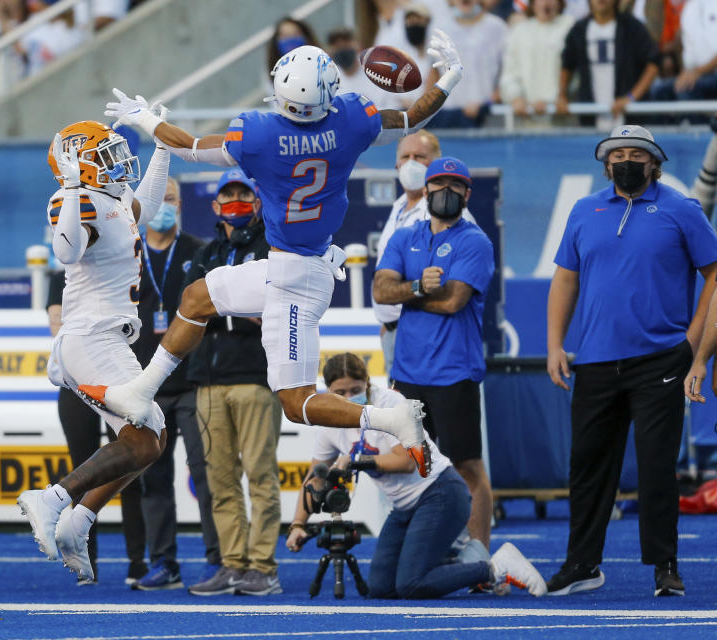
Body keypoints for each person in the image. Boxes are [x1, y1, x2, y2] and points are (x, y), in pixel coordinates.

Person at [81, 35, 470, 473]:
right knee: (196, 298)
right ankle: (141, 389)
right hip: (296, 265)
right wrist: (450, 78)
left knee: (296, 403)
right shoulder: (350, 121)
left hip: (297, 281)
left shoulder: (261, 134)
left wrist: (146, 120)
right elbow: (412, 117)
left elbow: (189, 147)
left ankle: (392, 418)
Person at [546, 125, 717, 597]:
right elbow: (565, 280)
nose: (626, 160)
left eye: (635, 154)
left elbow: (715, 273)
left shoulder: (681, 209)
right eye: (617, 153)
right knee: (586, 465)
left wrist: (693, 342)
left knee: (657, 466)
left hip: (660, 357)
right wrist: (555, 344)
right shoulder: (584, 210)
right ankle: (582, 564)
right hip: (596, 360)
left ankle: (665, 564)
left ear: (654, 162)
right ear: (605, 163)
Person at [16, 117, 170, 582]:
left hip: (109, 337)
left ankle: (77, 521)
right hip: (87, 336)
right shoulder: (68, 199)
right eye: (103, 154)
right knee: (143, 436)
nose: (116, 161)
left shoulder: (114, 198)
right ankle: (53, 500)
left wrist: (162, 145)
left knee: (150, 442)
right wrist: (72, 186)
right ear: (77, 163)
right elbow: (65, 252)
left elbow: (149, 202)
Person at [287, 354, 546, 599]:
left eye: (355, 390)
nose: (348, 397)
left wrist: (356, 461)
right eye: (339, 393)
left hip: (440, 492)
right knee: (381, 587)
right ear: (328, 391)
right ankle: (453, 558)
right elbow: (315, 476)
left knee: (410, 584)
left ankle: (495, 568)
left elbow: (407, 462)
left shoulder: (390, 403)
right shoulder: (331, 419)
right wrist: (298, 523)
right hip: (404, 507)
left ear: (367, 383)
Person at [372, 157, 496, 551]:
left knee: (466, 467)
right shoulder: (403, 237)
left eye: (455, 185)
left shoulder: (474, 241)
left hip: (453, 372)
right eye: (438, 183)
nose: (446, 191)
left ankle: (478, 553)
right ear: (424, 190)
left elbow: (454, 301)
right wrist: (420, 288)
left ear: (467, 194)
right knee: (412, 464)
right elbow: (380, 291)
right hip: (407, 372)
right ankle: (426, 548)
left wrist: (408, 294)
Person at [184, 168, 285, 597]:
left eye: (245, 193)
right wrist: (230, 307)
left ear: (258, 200)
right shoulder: (205, 254)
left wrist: (219, 306)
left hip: (256, 377)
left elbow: (269, 309)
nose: (236, 201)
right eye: (229, 195)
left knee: (260, 474)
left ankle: (262, 566)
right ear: (215, 205)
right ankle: (232, 562)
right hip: (207, 380)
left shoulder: (274, 249)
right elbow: (189, 310)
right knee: (220, 479)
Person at [130, 177, 221, 591]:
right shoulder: (126, 254)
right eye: (157, 200)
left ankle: (217, 559)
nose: (165, 207)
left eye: (171, 200)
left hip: (190, 381)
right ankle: (163, 561)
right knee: (152, 479)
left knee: (206, 475)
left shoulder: (198, 251)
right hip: (143, 386)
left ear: (182, 204)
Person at [46, 269, 147, 586]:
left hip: (118, 377)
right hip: (78, 381)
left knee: (131, 460)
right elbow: (55, 325)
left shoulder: (120, 268)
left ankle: (138, 562)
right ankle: (84, 559)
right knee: (84, 469)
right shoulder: (61, 275)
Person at [372, 130, 476, 378]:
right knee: (402, 411)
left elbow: (447, 285)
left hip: (429, 332)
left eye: (420, 157)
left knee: (426, 412)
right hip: (394, 332)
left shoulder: (449, 214)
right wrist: (388, 323)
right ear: (396, 164)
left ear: (435, 165)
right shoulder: (398, 206)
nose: (411, 163)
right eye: (406, 156)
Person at [557, 0, 659, 129]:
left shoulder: (632, 27)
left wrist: (631, 97)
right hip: (591, 117)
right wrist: (562, 95)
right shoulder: (579, 30)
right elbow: (567, 65)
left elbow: (653, 63)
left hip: (629, 120)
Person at [424, 0, 507, 129]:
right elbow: (433, 73)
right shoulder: (439, 29)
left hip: (486, 117)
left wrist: (488, 103)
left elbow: (506, 72)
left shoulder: (497, 27)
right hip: (448, 116)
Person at [498, 0, 574, 126]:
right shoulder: (519, 31)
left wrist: (558, 98)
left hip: (562, 118)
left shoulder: (571, 27)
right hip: (526, 118)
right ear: (533, 4)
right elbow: (509, 73)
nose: (546, 4)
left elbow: (576, 72)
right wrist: (516, 97)